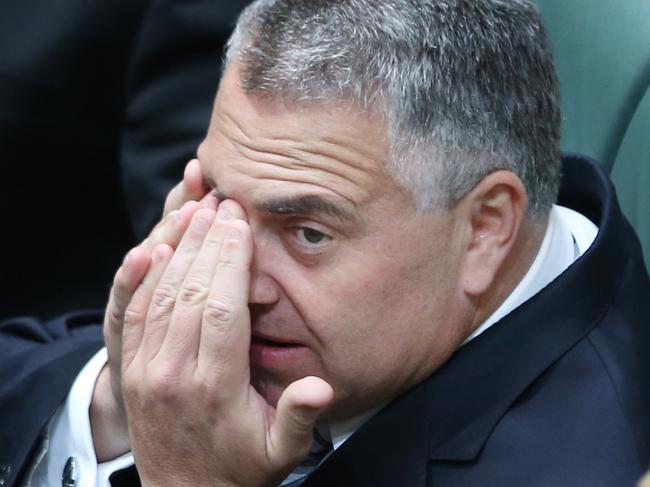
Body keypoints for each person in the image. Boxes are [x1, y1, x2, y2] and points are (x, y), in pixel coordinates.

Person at [1, 0, 649, 486]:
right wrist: (117, 401)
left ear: (486, 228)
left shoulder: (585, 463)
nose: (239, 283)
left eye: (308, 232)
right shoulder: (406, 292)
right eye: (222, 201)